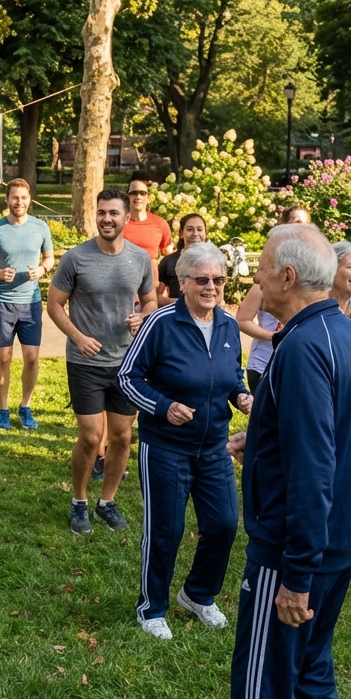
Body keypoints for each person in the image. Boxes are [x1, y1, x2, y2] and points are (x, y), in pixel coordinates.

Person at [227, 224, 351, 699]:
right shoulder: (347, 336)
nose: (257, 277)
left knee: (263, 692)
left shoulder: (300, 347)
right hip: (341, 541)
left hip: (294, 554)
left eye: (264, 267)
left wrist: (295, 573)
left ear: (288, 276)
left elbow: (316, 464)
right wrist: (266, 437)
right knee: (311, 672)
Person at [118, 241, 252, 639]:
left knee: (224, 524)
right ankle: (151, 607)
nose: (212, 287)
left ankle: (198, 594)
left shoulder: (228, 324)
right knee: (166, 530)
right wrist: (163, 407)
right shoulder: (160, 323)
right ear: (183, 282)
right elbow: (128, 377)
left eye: (219, 280)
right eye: (203, 280)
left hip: (214, 447)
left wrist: (241, 395)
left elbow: (232, 375)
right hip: (165, 447)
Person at [48, 190, 156, 535]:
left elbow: (151, 300)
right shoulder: (76, 258)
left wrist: (143, 316)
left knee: (122, 437)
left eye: (113, 213)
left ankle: (106, 501)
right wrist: (78, 337)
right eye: (101, 213)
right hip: (85, 362)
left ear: (126, 217)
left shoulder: (140, 259)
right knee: (92, 438)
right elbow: (53, 305)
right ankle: (79, 501)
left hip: (127, 362)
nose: (106, 219)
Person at [0, 178, 54, 430]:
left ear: (29, 199)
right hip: (2, 303)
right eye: (14, 197)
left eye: (23, 197)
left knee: (31, 357)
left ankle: (25, 406)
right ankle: (2, 409)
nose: (18, 202)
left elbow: (49, 257)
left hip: (31, 302)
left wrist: (42, 270)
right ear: (7, 200)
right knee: (4, 356)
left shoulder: (40, 227)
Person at [236, 204, 312, 392]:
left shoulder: (313, 276)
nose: (301, 229)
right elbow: (242, 320)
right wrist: (275, 337)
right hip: (264, 367)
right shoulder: (268, 275)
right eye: (296, 223)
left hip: (299, 367)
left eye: (305, 225)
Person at [122, 174, 172, 280]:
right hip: (124, 281)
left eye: (142, 193)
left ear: (148, 198)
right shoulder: (119, 224)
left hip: (152, 282)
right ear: (127, 197)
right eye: (134, 193)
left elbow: (169, 257)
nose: (138, 197)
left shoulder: (160, 224)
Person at [156, 213, 207, 305]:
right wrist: (178, 303)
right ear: (181, 234)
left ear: (205, 233)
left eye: (199, 229)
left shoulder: (214, 262)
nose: (195, 234)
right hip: (175, 315)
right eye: (189, 229)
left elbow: (219, 297)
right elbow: (156, 297)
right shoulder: (168, 262)